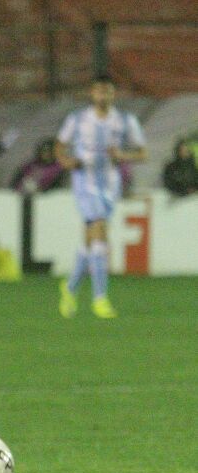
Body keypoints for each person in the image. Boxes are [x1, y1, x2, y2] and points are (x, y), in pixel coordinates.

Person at [55, 76, 145, 319]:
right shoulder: (78, 119)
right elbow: (60, 147)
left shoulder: (126, 121)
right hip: (84, 182)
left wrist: (123, 155)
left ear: (113, 95)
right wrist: (67, 162)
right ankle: (100, 298)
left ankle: (71, 286)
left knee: (90, 239)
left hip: (110, 185)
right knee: (100, 230)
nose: (103, 96)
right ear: (91, 93)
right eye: (99, 92)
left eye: (107, 92)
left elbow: (142, 152)